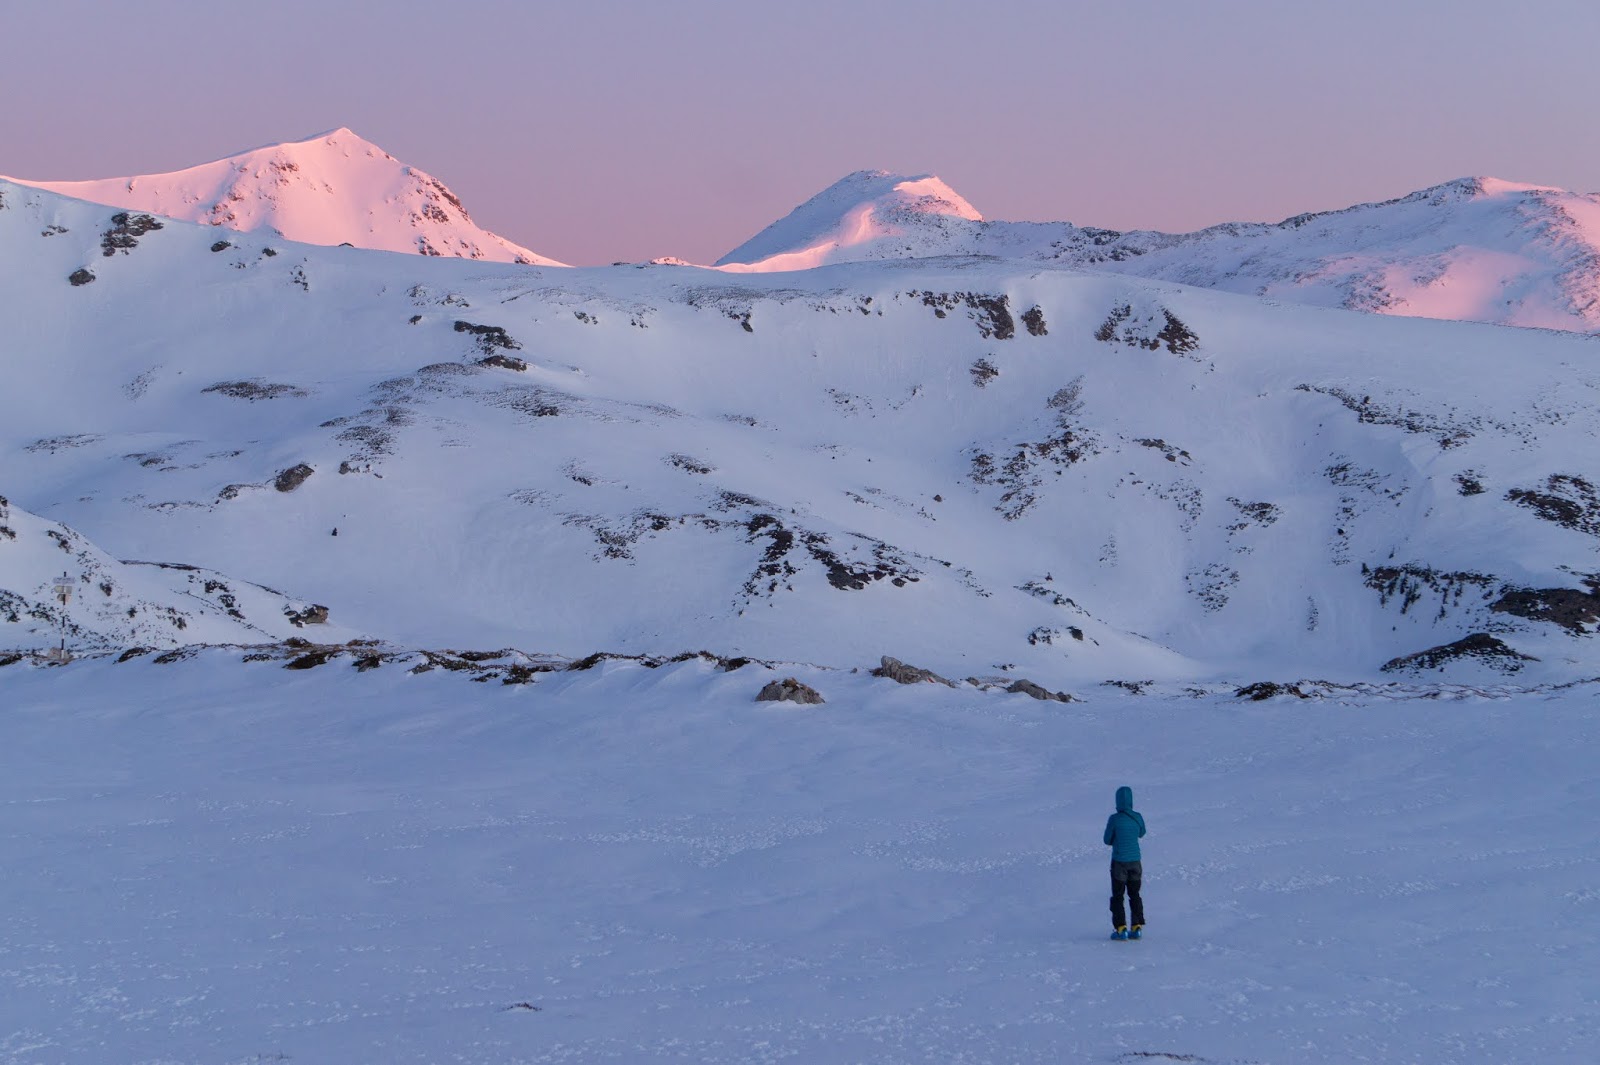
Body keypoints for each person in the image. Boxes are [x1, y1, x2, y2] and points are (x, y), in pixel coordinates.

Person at [1103, 785, 1146, 940]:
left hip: (1119, 862)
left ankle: (1121, 929)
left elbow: (1107, 840)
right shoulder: (1137, 816)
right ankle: (1137, 926)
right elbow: (1142, 832)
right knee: (1134, 894)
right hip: (1135, 861)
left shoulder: (1114, 819)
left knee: (1118, 896)